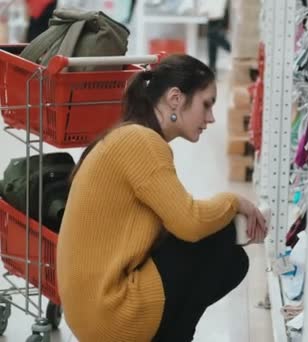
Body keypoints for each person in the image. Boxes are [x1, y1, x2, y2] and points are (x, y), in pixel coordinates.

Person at [56, 54, 268, 342]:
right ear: (175, 98)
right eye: (206, 104)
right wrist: (234, 202)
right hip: (110, 313)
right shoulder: (141, 142)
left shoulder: (130, 136)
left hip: (91, 312)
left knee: (231, 259)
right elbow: (189, 222)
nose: (211, 118)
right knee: (221, 239)